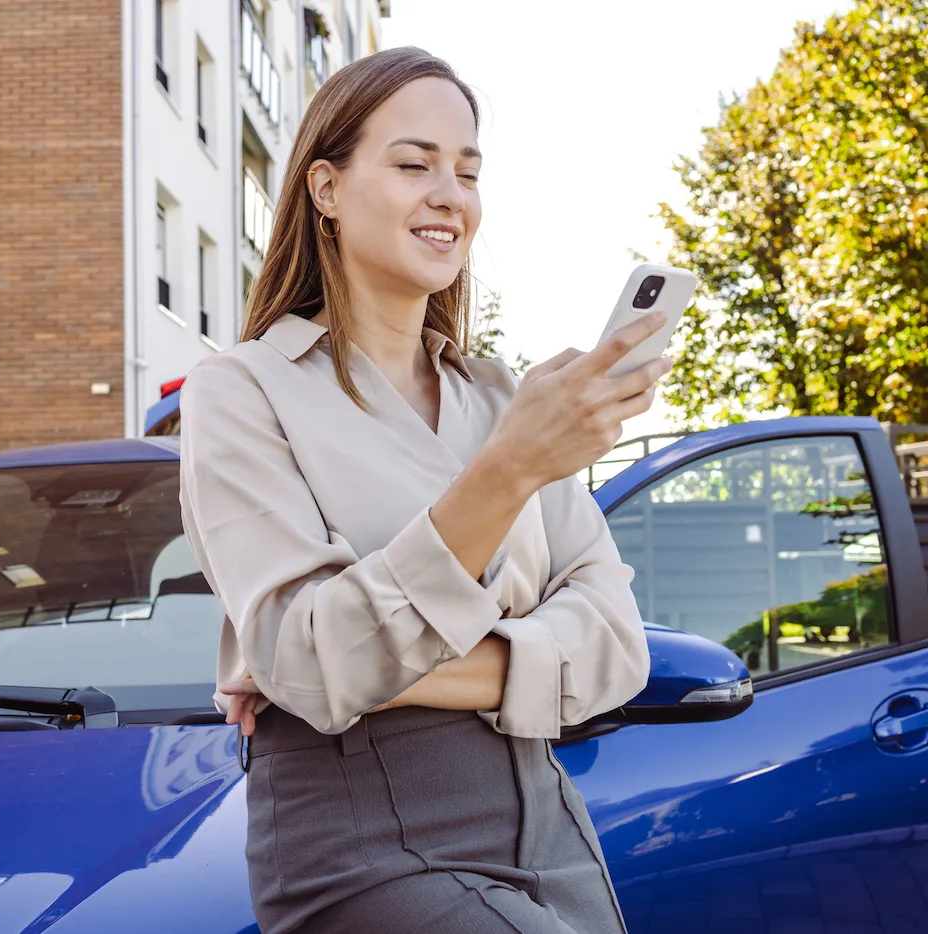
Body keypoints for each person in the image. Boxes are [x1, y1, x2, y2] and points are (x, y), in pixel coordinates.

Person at [179, 46, 669, 934]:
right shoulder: (243, 390)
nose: (451, 194)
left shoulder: (501, 397)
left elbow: (614, 647)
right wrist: (508, 474)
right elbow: (306, 658)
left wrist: (366, 666)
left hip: (551, 824)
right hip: (366, 838)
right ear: (325, 187)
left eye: (468, 171)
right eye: (415, 164)